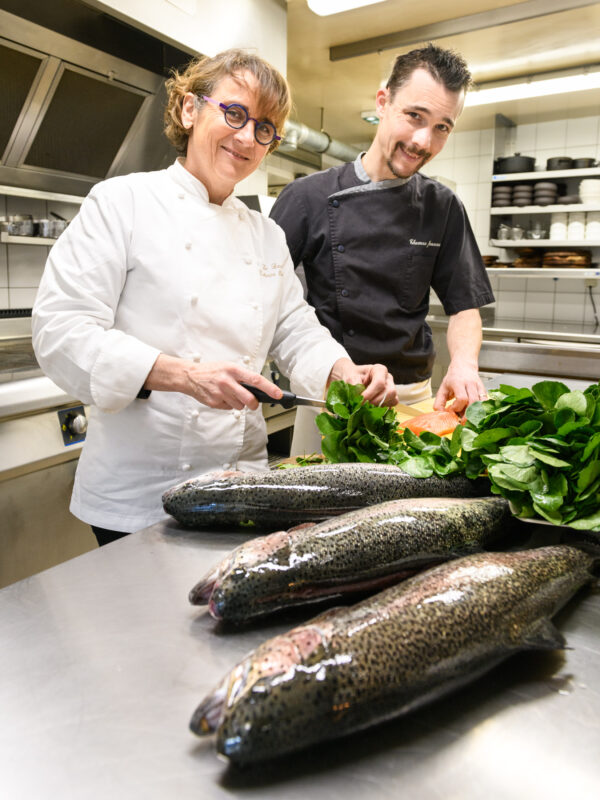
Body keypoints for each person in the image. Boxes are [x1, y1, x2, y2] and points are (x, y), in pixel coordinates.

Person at [32, 49, 396, 547]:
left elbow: (296, 328)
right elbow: (61, 331)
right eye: (234, 113)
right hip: (138, 494)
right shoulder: (122, 203)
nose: (247, 137)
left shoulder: (267, 235)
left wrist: (343, 373)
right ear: (189, 109)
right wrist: (184, 375)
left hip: (240, 482)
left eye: (264, 128)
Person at [270, 43, 495, 456]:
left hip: (412, 401)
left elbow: (465, 305)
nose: (423, 140)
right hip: (332, 398)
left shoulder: (442, 207)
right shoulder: (306, 198)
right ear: (383, 102)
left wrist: (464, 365)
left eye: (443, 127)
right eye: (415, 116)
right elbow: (263, 299)